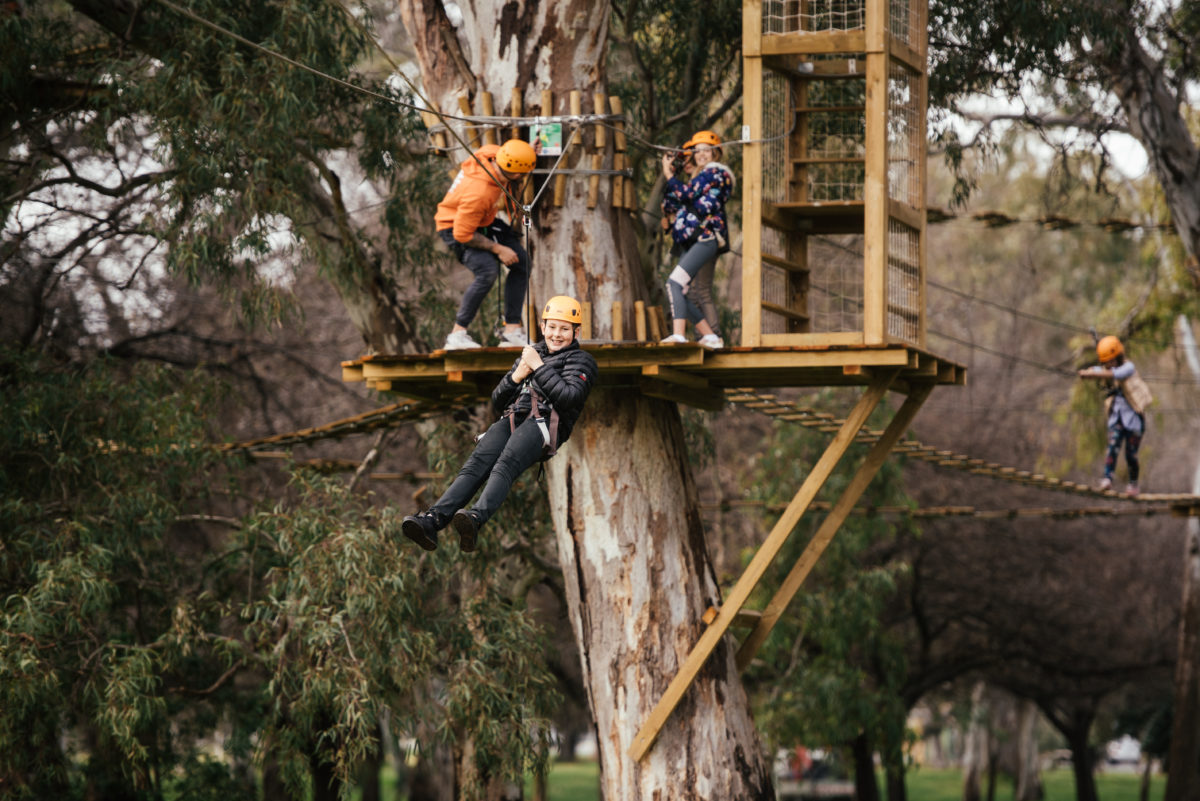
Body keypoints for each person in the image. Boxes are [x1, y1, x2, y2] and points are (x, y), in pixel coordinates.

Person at [401, 295, 599, 552]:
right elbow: (497, 400)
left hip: (546, 424)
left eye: (564, 329)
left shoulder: (582, 361)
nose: (557, 334)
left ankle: (476, 517)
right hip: (514, 417)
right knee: (475, 465)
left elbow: (569, 397)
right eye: (552, 327)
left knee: (506, 462)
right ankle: (433, 520)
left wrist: (538, 367)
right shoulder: (531, 353)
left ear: (576, 331)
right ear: (542, 327)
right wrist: (517, 376)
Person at [435, 138, 537, 350]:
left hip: (483, 221)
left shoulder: (492, 154)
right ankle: (457, 335)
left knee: (522, 263)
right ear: (516, 173)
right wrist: (498, 249)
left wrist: (528, 152)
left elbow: (511, 155)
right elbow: (462, 234)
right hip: (455, 227)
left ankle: (511, 332)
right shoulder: (479, 192)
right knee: (488, 270)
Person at [659, 129, 735, 349]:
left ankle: (680, 335)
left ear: (716, 154)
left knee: (676, 284)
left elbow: (687, 194)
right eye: (697, 151)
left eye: (706, 151)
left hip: (705, 238)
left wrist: (669, 174)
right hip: (695, 240)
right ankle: (710, 336)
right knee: (681, 290)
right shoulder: (701, 178)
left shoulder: (715, 173)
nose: (701, 155)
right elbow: (675, 201)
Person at [1078, 335, 1152, 495]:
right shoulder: (1106, 370)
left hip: (1133, 420)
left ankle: (1133, 484)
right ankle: (1107, 478)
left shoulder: (1128, 367)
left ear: (1118, 357)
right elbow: (1099, 371)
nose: (1110, 365)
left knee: (1131, 455)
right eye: (1107, 363)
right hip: (1117, 418)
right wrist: (1088, 372)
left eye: (1112, 361)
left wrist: (1095, 374)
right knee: (1112, 446)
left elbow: (1115, 374)